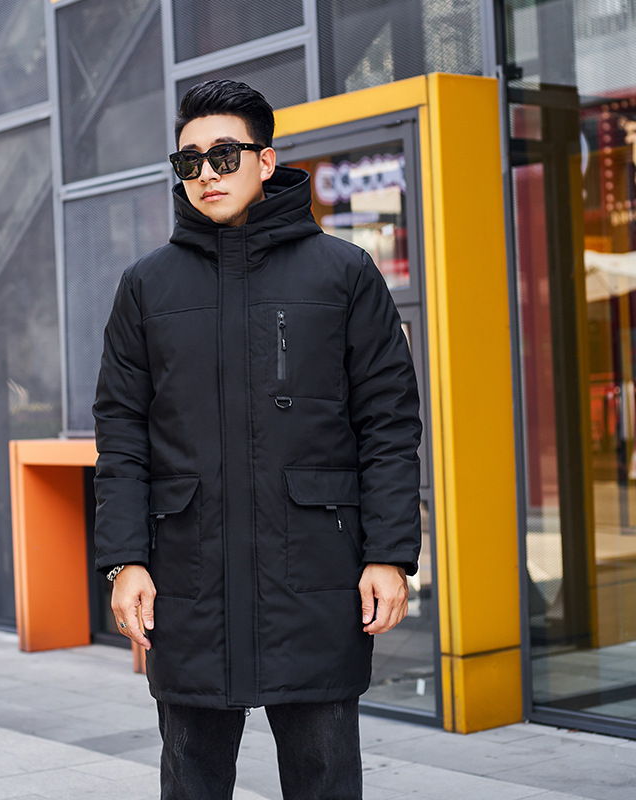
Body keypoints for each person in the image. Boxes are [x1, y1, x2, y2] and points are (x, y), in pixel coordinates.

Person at [93, 79, 421, 800]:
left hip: (315, 572)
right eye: (189, 162)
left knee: (324, 781)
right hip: (188, 578)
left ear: (266, 161)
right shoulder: (146, 286)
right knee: (192, 782)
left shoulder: (344, 274)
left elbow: (389, 423)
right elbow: (121, 433)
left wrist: (389, 554)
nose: (206, 174)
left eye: (224, 155)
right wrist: (124, 561)